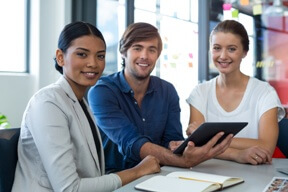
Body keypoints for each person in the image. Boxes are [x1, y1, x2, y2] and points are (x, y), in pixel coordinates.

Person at [12, 21, 161, 192]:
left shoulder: (80, 102)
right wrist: (138, 171)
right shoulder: (48, 103)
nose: (93, 63)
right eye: (82, 54)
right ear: (60, 57)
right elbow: (70, 188)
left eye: (100, 56)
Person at [88, 22, 233, 173]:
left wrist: (177, 146)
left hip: (160, 173)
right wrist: (182, 161)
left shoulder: (167, 91)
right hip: (117, 178)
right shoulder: (102, 91)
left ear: (157, 55)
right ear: (124, 52)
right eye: (137, 48)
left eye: (151, 50)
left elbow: (172, 138)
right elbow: (131, 143)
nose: (144, 56)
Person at [185, 20, 286, 165]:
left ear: (244, 52)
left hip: (255, 175)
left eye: (231, 49)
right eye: (217, 48)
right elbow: (196, 146)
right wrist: (238, 154)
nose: (223, 56)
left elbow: (266, 147)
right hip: (209, 175)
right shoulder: (200, 93)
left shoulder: (265, 93)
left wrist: (209, 138)